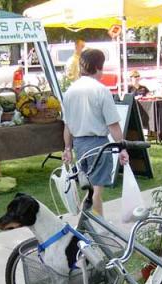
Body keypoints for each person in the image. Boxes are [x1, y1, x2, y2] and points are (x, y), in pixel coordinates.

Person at [62, 49, 129, 216]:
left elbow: (67, 125)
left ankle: (86, 223)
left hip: (79, 145)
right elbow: (113, 124)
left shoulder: (70, 91)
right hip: (98, 143)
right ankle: (99, 226)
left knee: (90, 187)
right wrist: (122, 147)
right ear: (99, 67)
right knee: (96, 190)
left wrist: (67, 148)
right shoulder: (101, 90)